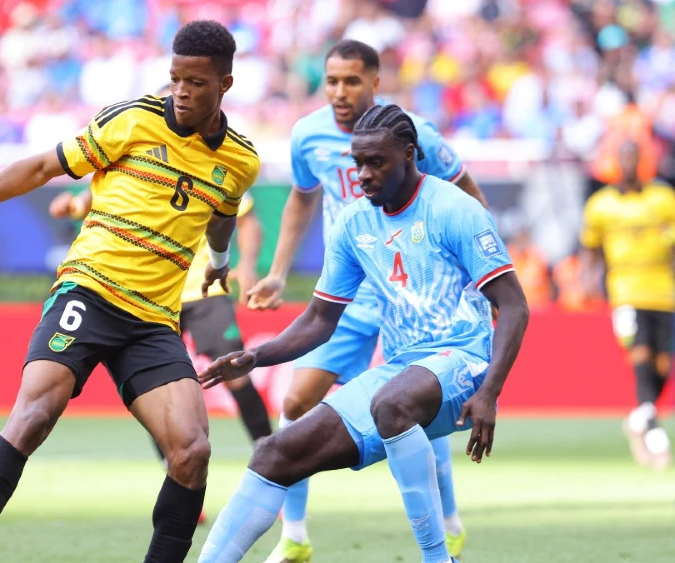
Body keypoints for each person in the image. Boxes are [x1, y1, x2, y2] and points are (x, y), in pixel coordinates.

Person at [0, 20, 261, 563]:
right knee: (35, 414)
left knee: (191, 450)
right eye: (175, 79)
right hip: (90, 291)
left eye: (196, 82)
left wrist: (219, 264)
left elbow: (221, 218)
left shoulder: (240, 160)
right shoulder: (134, 120)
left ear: (226, 84)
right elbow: (42, 166)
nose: (182, 92)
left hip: (152, 320)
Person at [197, 104, 529, 563]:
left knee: (391, 403)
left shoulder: (456, 209)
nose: (364, 174)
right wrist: (259, 357)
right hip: (400, 369)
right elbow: (319, 319)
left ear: (410, 154)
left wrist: (490, 390)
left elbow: (514, 305)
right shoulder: (354, 223)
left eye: (377, 162)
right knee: (274, 453)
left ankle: (439, 558)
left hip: (464, 359)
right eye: (358, 163)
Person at [245, 39, 485, 563]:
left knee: (415, 401)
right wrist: (278, 272)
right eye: (331, 80)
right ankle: (296, 537)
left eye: (352, 81)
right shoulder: (307, 135)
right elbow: (302, 199)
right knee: (294, 402)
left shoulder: (413, 134)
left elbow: (465, 190)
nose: (339, 91)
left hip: (416, 293)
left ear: (375, 82)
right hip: (350, 293)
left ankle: (446, 527)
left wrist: (478, 274)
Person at [48, 188, 272, 449]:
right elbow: (98, 198)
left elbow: (248, 220)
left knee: (236, 372)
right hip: (151, 294)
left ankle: (268, 451)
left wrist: (247, 265)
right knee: (155, 388)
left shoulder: (216, 165)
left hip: (203, 287)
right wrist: (73, 206)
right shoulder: (139, 159)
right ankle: (171, 465)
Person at [580, 140, 675, 470]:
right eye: (625, 157)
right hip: (625, 290)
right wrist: (587, 279)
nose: (631, 162)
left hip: (663, 290)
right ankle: (653, 432)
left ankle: (638, 417)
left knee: (663, 365)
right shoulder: (601, 205)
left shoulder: (663, 199)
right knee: (640, 354)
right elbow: (591, 247)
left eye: (635, 156)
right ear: (617, 161)